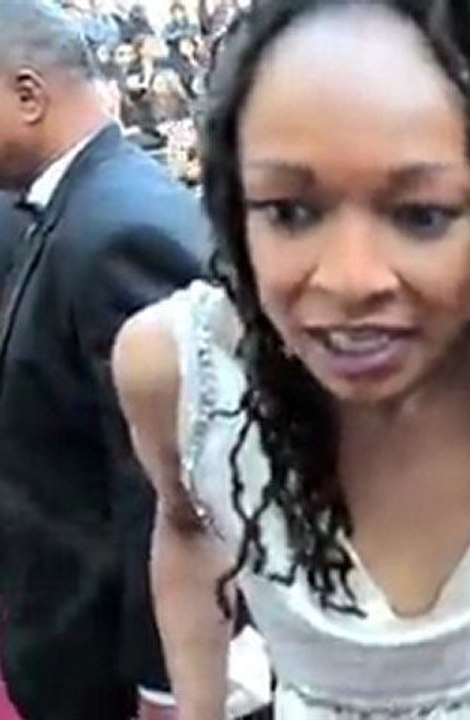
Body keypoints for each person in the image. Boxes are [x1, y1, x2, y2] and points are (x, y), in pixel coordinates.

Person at [113, 1, 470, 718]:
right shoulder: (174, 368)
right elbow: (186, 527)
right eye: (290, 210)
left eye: (422, 214)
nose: (349, 280)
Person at [0, 1, 206, 718]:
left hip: (106, 677)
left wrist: (167, 683)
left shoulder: (118, 230)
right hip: (67, 640)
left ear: (27, 95)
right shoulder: (70, 207)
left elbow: (166, 490)